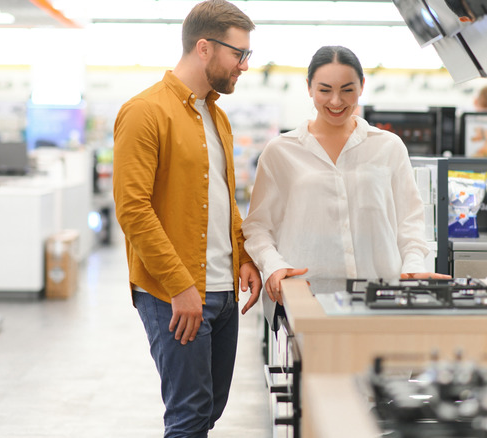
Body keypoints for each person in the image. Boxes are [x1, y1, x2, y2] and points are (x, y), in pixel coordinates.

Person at [111, 1, 261, 437]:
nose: (244, 66)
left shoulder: (217, 117)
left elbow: (224, 199)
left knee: (208, 411)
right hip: (173, 294)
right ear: (204, 48)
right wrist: (181, 286)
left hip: (221, 291)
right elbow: (133, 209)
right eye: (239, 54)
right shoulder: (145, 112)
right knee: (189, 417)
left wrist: (243, 258)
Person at [242, 45, 449, 306]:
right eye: (325, 90)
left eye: (347, 90)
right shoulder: (281, 151)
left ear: (362, 86)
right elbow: (258, 225)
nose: (336, 101)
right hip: (305, 296)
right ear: (309, 87)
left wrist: (414, 265)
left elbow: (410, 220)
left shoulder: (388, 146)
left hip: (380, 296)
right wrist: (273, 265)